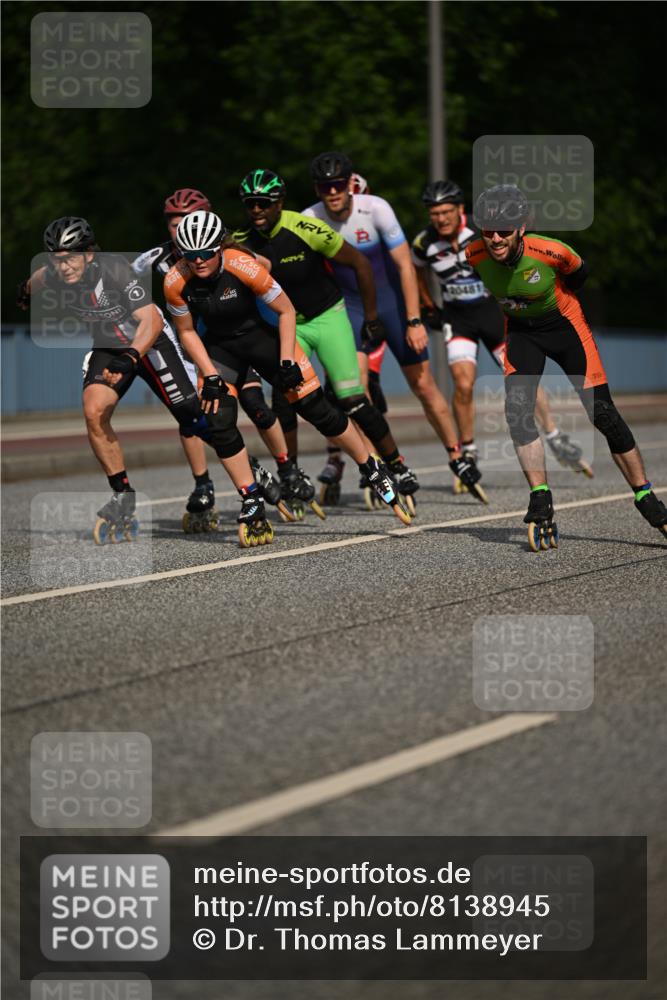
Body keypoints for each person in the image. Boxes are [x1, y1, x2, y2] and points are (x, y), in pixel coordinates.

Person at [19, 216, 271, 546]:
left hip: (149, 343)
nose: (63, 266)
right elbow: (36, 280)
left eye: (70, 258)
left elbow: (150, 321)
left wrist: (132, 357)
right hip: (109, 347)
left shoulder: (115, 271)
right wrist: (24, 292)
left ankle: (250, 471)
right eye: (56, 258)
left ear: (89, 254)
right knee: (94, 410)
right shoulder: (54, 271)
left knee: (192, 416)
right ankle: (123, 496)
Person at [163, 209, 413, 525]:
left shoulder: (242, 266)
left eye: (205, 253)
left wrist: (286, 361)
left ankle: (370, 466)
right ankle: (251, 498)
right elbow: (186, 331)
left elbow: (286, 311)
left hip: (263, 337)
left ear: (219, 248)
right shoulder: (175, 280)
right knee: (218, 419)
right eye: (190, 254)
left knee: (314, 408)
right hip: (220, 347)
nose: (198, 261)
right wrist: (210, 375)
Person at [466, 184, 667, 548]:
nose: (495, 238)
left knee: (602, 413)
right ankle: (540, 496)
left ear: (521, 229)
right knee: (517, 413)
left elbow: (579, 275)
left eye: (504, 230)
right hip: (523, 335)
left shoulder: (552, 252)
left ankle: (645, 495)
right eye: (487, 230)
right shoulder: (473, 253)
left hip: (565, 328)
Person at [302, 151, 485, 503]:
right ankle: (379, 465)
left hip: (393, 305)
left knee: (423, 385)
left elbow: (404, 267)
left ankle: (457, 456)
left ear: (350, 185)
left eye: (339, 185)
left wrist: (414, 320)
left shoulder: (376, 208)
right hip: (351, 307)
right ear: (318, 189)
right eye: (326, 187)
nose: (334, 192)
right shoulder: (311, 218)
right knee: (354, 390)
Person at [412, 180, 592, 492]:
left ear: (460, 210)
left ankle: (553, 435)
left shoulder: (483, 234)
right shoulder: (423, 242)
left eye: (445, 212)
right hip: (458, 319)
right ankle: (468, 452)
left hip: (495, 315)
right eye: (434, 213)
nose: (440, 219)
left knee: (523, 379)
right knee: (463, 383)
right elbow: (414, 271)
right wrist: (428, 306)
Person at [133, 187, 288, 530]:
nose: (178, 230)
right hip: (193, 346)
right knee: (193, 416)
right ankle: (206, 483)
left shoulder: (223, 248)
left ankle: (286, 469)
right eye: (172, 224)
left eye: (185, 222)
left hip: (233, 337)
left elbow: (263, 268)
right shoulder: (155, 258)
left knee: (255, 404)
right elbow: (111, 277)